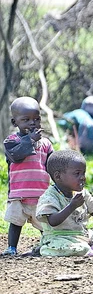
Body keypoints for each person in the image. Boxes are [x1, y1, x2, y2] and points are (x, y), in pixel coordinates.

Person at [3, 97, 54, 256]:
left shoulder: (45, 143)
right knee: (16, 222)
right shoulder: (12, 141)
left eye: (36, 119)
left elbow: (51, 165)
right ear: (15, 122)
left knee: (44, 224)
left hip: (41, 194)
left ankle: (46, 246)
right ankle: (12, 248)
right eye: (26, 120)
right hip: (19, 194)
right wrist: (30, 140)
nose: (33, 123)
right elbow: (16, 156)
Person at [35, 150, 93, 256]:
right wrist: (72, 206)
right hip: (59, 237)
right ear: (58, 176)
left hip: (82, 235)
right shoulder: (50, 197)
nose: (83, 177)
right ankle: (45, 249)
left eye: (84, 173)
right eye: (77, 173)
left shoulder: (82, 193)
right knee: (81, 248)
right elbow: (52, 221)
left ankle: (91, 247)